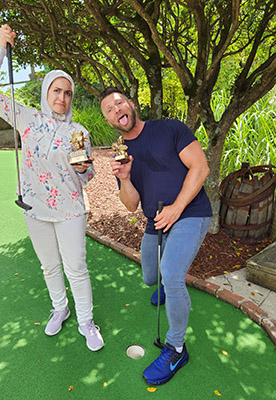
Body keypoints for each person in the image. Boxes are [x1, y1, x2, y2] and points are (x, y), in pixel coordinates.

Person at [0, 24, 104, 351]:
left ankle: (87, 322)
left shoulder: (79, 131)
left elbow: (85, 177)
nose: (62, 97)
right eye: (56, 91)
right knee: (49, 265)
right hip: (35, 210)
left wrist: (84, 169)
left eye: (67, 92)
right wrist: (1, 48)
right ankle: (60, 308)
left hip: (70, 211)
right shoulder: (27, 119)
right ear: (47, 92)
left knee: (76, 267)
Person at [100, 87, 212, 384]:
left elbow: (200, 168)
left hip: (190, 212)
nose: (116, 110)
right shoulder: (121, 155)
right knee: (152, 277)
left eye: (119, 103)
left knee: (172, 275)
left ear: (131, 104)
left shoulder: (169, 128)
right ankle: (168, 289)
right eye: (109, 110)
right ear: (109, 121)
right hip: (156, 220)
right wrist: (124, 179)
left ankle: (176, 348)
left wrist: (176, 208)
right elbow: (130, 204)